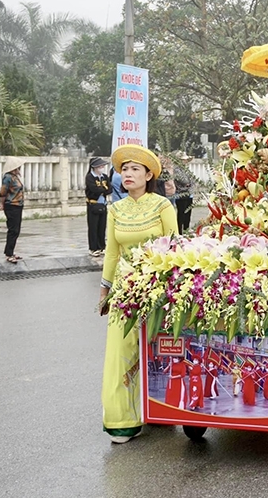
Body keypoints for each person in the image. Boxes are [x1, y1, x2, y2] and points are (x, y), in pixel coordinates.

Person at [99, 145, 178, 444]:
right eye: (124, 170)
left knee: (160, 350)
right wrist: (105, 289)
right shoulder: (115, 209)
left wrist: (172, 291)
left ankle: (160, 409)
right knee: (120, 352)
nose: (127, 174)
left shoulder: (162, 206)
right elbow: (112, 252)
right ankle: (122, 420)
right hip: (124, 290)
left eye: (135, 169)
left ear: (149, 175)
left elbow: (175, 248)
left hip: (157, 288)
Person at [0, 156, 25, 264]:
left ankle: (11, 251)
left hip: (18, 206)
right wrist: (1, 203)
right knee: (13, 230)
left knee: (16, 230)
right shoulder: (8, 177)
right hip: (11, 206)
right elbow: (3, 192)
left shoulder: (15, 177)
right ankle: (9, 254)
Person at [85, 157, 112, 256]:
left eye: (103, 166)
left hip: (103, 204)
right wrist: (103, 189)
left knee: (102, 226)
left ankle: (102, 247)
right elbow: (94, 189)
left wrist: (102, 189)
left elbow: (110, 189)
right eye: (100, 166)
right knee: (93, 227)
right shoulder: (90, 177)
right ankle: (93, 248)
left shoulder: (104, 177)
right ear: (94, 167)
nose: (102, 167)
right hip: (93, 204)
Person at [172, 151, 195, 233]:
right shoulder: (176, 170)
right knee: (181, 214)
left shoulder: (186, 169)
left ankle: (186, 230)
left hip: (189, 194)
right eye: (183, 160)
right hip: (180, 195)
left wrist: (189, 184)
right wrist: (188, 184)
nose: (185, 161)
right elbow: (184, 181)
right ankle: (180, 232)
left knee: (188, 214)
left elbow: (192, 181)